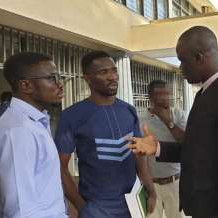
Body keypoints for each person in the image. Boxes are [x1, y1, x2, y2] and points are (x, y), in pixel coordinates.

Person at [127, 26, 218, 218]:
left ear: (199, 58)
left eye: (182, 61)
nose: (180, 68)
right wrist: (158, 147)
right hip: (208, 206)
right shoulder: (206, 92)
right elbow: (201, 149)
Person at [54, 51, 156, 218]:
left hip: (133, 204)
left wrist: (150, 189)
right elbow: (60, 167)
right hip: (97, 208)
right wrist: (82, 206)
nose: (112, 77)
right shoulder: (72, 116)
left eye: (114, 71)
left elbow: (139, 155)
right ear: (87, 78)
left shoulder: (128, 110)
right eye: (103, 72)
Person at [0, 52, 66, 218]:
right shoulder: (19, 130)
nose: (60, 84)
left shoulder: (35, 121)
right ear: (26, 86)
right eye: (51, 78)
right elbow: (21, 208)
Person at [139, 80, 187, 218]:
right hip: (151, 184)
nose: (164, 97)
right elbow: (140, 155)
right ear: (150, 97)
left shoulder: (178, 115)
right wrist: (148, 187)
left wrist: (167, 120)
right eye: (159, 94)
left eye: (166, 93)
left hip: (175, 182)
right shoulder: (141, 120)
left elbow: (186, 142)